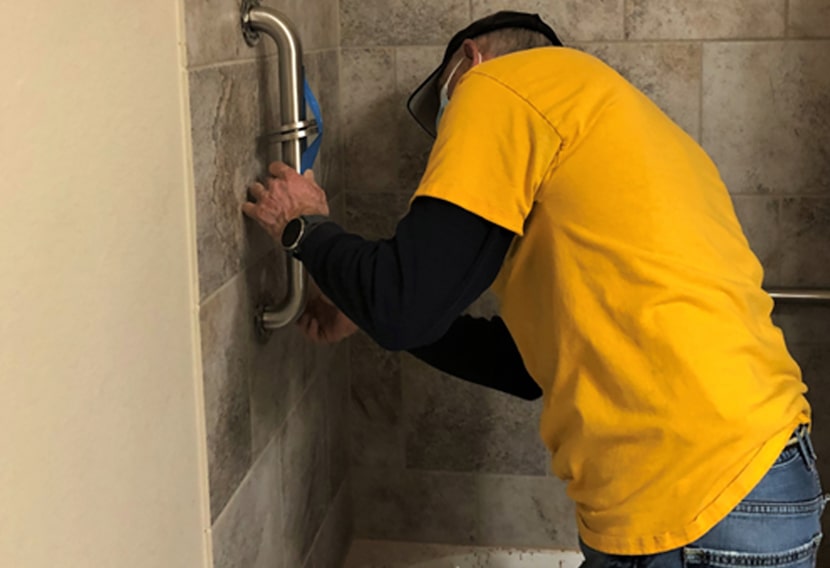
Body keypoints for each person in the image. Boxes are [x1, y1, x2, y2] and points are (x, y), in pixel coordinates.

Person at [242, 11, 826, 567]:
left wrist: (305, 228)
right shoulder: (616, 130)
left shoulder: (499, 85)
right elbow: (520, 363)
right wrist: (364, 306)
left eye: (443, 114)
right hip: (740, 486)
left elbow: (403, 306)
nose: (448, 134)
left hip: (703, 503)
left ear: (469, 62)